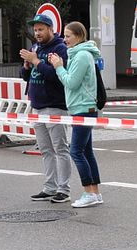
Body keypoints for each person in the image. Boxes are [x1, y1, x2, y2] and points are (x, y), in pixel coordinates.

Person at [49, 21, 103, 208]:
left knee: (76, 151)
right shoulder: (81, 54)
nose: (65, 40)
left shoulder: (81, 56)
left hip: (82, 108)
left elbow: (71, 83)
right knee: (86, 151)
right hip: (83, 108)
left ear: (79, 36)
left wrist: (58, 67)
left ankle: (89, 192)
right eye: (64, 35)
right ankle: (95, 192)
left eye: (68, 36)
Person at [20, 15, 71, 204]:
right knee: (46, 150)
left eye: (41, 29)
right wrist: (26, 66)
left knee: (61, 149)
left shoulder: (60, 48)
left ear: (51, 29)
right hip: (37, 106)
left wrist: (36, 62)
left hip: (54, 106)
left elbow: (58, 75)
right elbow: (26, 76)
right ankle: (50, 187)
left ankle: (63, 189)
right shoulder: (36, 48)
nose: (37, 33)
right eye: (35, 30)